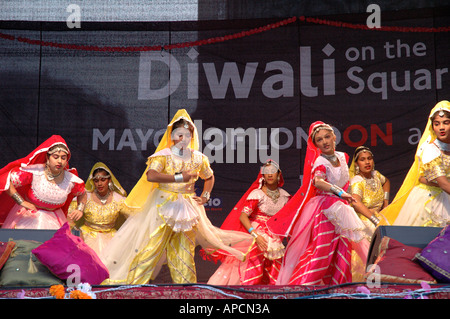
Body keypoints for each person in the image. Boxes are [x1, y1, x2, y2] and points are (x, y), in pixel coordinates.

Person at [100, 109, 252, 285]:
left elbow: (209, 176)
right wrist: (179, 177)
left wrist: (205, 195)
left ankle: (186, 289)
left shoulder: (198, 158)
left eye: (188, 135)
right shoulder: (163, 156)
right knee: (151, 247)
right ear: (172, 135)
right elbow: (151, 175)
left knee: (184, 250)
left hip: (187, 207)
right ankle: (133, 285)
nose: (184, 139)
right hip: (162, 205)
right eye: (180, 135)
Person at [266, 121, 369, 285]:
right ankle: (300, 288)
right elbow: (318, 181)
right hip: (325, 209)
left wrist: (346, 197)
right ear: (316, 145)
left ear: (334, 136)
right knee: (322, 252)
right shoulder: (320, 162)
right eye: (320, 140)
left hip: (342, 210)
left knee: (343, 253)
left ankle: (339, 290)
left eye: (327, 137)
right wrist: (341, 192)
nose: (325, 142)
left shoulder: (343, 157)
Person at [205, 160, 290, 285]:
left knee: (274, 267)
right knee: (251, 266)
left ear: (279, 174)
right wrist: (255, 235)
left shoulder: (285, 196)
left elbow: (288, 218)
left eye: (273, 172)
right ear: (263, 176)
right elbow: (243, 216)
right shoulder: (257, 194)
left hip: (274, 236)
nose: (270, 174)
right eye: (266, 172)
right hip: (255, 234)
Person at [381, 100, 450, 227]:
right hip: (430, 202)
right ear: (432, 127)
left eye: (446, 123)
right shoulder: (431, 150)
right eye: (437, 124)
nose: (441, 127)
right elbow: (444, 184)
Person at [0, 135, 86, 229]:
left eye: (63, 158)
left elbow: (82, 192)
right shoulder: (35, 172)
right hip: (28, 219)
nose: (59, 161)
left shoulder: (70, 180)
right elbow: (7, 181)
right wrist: (21, 202)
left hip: (55, 221)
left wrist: (80, 209)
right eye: (56, 157)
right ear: (48, 157)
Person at [76, 162, 129, 256]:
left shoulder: (118, 199)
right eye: (96, 181)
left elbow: (132, 218)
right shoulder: (85, 197)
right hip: (87, 237)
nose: (99, 183)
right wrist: (78, 234)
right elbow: (70, 218)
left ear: (109, 180)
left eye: (103, 180)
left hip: (112, 240)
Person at [349, 145, 390, 236]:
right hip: (365, 222)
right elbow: (356, 203)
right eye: (362, 160)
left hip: (380, 217)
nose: (367, 162)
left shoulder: (376, 175)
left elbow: (386, 182)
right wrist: (375, 220)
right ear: (356, 164)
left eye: (369, 158)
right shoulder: (357, 181)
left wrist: (385, 204)